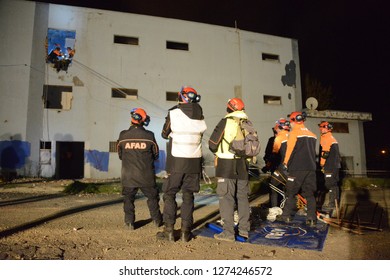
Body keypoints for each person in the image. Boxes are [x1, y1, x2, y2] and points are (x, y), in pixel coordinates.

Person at [157, 86, 207, 242]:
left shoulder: (174, 113)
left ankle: (169, 231)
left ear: (181, 97)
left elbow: (164, 134)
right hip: (194, 162)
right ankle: (186, 232)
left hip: (177, 161)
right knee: (188, 196)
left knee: (169, 194)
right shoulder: (200, 114)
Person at [208, 97, 251, 242]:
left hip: (226, 165)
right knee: (243, 198)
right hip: (243, 165)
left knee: (226, 198)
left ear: (229, 108)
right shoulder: (247, 122)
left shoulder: (225, 121)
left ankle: (228, 232)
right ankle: (244, 230)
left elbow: (213, 144)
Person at [117, 108, 162, 230]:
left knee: (128, 199)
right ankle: (157, 220)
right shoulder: (149, 135)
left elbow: (120, 155)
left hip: (128, 175)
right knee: (152, 197)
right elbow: (156, 154)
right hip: (146, 175)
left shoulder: (123, 135)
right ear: (143, 120)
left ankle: (129, 223)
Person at [276, 111, 318, 227]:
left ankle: (286, 216)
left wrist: (285, 163)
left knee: (291, 192)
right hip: (311, 168)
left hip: (296, 168)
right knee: (309, 194)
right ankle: (312, 219)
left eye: (291, 121)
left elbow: (290, 150)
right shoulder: (312, 135)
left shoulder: (294, 133)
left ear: (295, 120)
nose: (290, 124)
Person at [318, 121, 341, 215]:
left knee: (330, 185)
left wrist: (322, 164)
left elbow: (325, 153)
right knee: (334, 185)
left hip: (330, 166)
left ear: (327, 128)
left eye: (322, 127)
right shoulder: (331, 137)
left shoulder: (326, 138)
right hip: (334, 165)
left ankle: (332, 205)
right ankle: (334, 204)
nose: (320, 128)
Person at [268, 118, 290, 208]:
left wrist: (267, 165)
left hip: (282, 167)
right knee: (289, 189)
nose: (275, 128)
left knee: (273, 186)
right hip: (293, 168)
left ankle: (274, 209)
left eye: (276, 127)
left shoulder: (279, 138)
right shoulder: (292, 136)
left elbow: (274, 155)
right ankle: (287, 210)